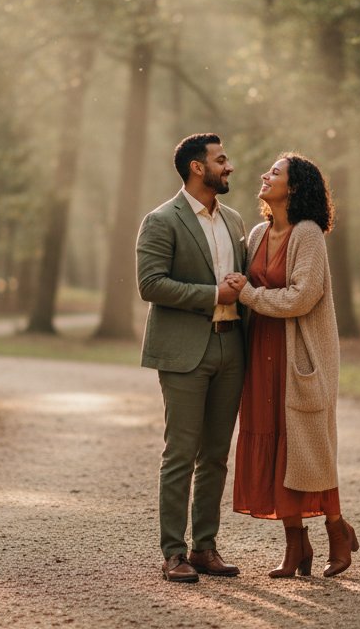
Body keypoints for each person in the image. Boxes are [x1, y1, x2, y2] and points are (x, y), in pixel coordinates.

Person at [223, 152, 357, 578]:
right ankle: (295, 545)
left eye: (275, 173)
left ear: (294, 187)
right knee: (276, 446)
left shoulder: (309, 234)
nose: (265, 175)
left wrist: (249, 295)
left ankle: (337, 530)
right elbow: (243, 283)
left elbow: (302, 296)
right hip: (261, 355)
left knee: (309, 447)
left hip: (301, 357)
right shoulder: (259, 232)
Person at [136, 133, 249, 583]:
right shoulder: (162, 220)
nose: (230, 166)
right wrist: (213, 293)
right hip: (184, 351)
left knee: (217, 455)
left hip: (231, 346)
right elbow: (151, 284)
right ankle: (172, 553)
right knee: (180, 453)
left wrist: (236, 288)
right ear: (197, 168)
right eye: (222, 160)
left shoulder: (236, 221)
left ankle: (205, 548)